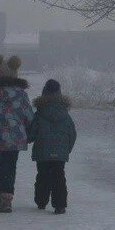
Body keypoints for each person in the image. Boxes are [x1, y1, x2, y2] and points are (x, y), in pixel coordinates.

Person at [0, 55, 34, 213]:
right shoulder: (21, 95)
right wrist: (30, 134)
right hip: (16, 139)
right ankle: (6, 198)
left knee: (0, 164)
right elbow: (29, 116)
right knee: (11, 166)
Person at [28, 79, 76, 214]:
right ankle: (60, 205)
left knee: (42, 176)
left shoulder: (39, 114)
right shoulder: (65, 115)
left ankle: (41, 201)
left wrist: (28, 138)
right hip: (60, 153)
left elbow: (32, 132)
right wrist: (66, 149)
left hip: (43, 152)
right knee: (59, 177)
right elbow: (72, 134)